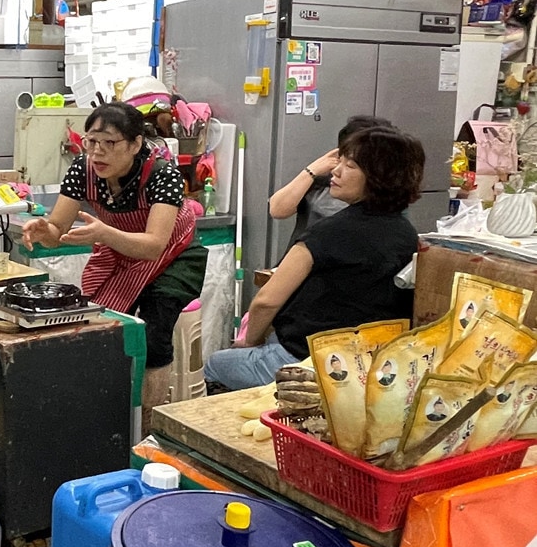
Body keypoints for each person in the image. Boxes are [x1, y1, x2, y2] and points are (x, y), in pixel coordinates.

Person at [204, 126, 423, 392]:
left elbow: (266, 301)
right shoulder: (407, 232)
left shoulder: (329, 232)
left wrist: (249, 342)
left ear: (379, 177)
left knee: (216, 363)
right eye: (339, 161)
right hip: (366, 361)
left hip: (308, 360)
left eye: (350, 165)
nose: (336, 171)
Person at [22, 101, 207, 410]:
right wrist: (44, 231)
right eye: (91, 142)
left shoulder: (163, 174)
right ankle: (104, 409)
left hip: (174, 255)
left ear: (135, 144)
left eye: (110, 143)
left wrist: (104, 234)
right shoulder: (83, 169)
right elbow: (56, 230)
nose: (97, 152)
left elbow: (152, 246)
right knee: (98, 323)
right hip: (119, 250)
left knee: (154, 333)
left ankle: (148, 422)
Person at [268, 115, 391, 251]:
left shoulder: (387, 200)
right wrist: (311, 171)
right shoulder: (324, 181)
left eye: (351, 164)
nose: (338, 171)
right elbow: (277, 209)